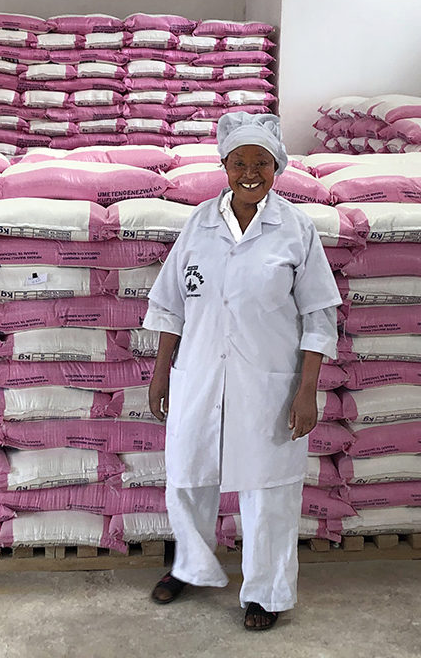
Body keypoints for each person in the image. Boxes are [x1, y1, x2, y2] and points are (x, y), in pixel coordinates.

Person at [142, 112, 341, 631]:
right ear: (224, 167)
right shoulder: (199, 224)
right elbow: (170, 305)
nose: (250, 172)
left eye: (261, 163)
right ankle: (189, 567)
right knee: (188, 476)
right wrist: (162, 373)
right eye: (239, 163)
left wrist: (307, 390)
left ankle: (267, 592)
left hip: (269, 381)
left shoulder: (296, 230)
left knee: (269, 489)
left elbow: (319, 315)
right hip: (199, 374)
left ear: (277, 167)